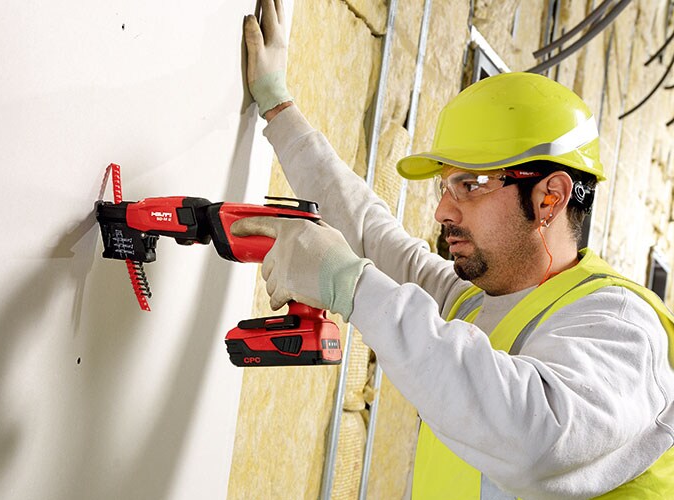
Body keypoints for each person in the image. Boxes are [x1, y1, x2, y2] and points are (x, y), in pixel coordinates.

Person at [233, 1, 674, 498]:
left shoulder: (618, 328)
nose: (443, 211)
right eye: (445, 186)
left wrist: (349, 285)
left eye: (471, 185)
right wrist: (277, 107)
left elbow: (532, 439)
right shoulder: (474, 301)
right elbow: (369, 233)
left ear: (549, 197)